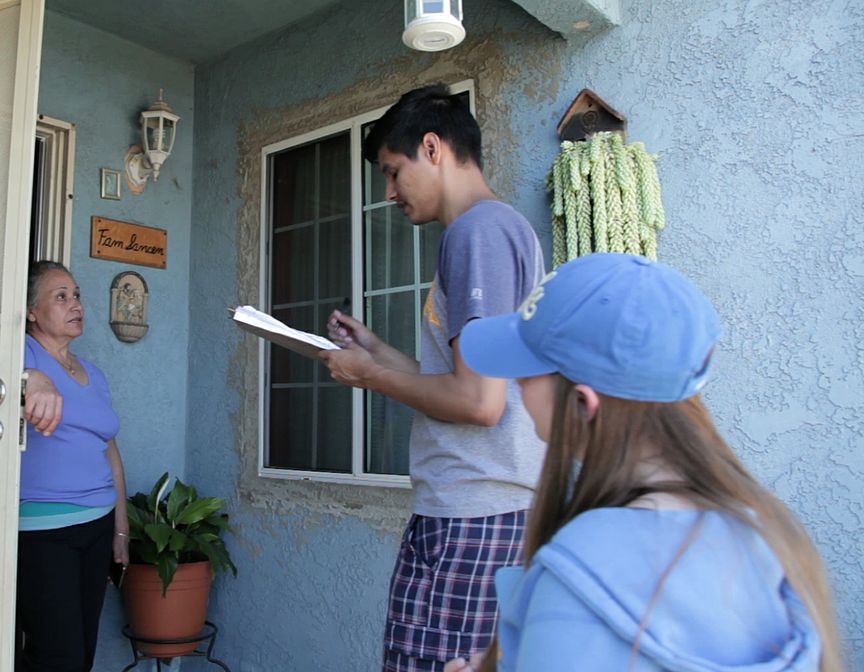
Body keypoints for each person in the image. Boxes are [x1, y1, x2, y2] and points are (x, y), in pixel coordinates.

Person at [445, 252, 842, 672]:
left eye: (526, 376)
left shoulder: (575, 577)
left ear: (584, 404)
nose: (517, 387)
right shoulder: (770, 535)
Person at [319, 83, 545, 670]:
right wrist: (377, 353)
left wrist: (369, 376)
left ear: (432, 147)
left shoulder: (478, 232)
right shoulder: (496, 230)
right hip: (481, 511)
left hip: (474, 516)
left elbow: (478, 401)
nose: (389, 193)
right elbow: (464, 381)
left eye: (394, 173)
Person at [17, 261, 131, 672]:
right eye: (60, 296)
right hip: (45, 534)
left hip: (97, 527)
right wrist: (30, 376)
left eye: (77, 295)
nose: (75, 304)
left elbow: (110, 452)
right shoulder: (20, 352)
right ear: (32, 311)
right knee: (56, 656)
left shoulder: (94, 374)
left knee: (82, 651)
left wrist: (121, 528)